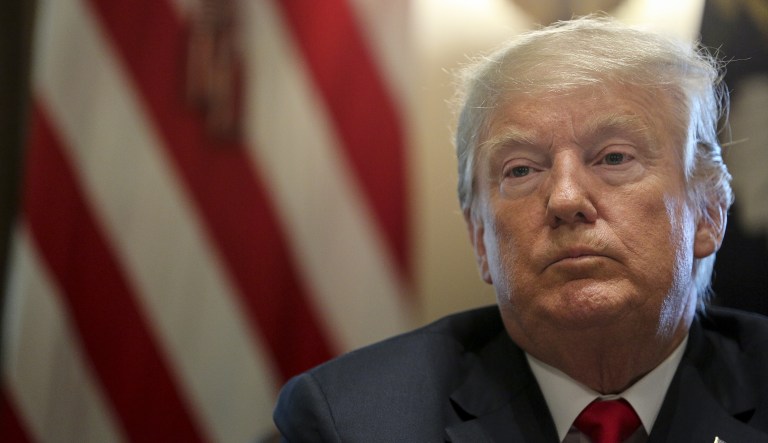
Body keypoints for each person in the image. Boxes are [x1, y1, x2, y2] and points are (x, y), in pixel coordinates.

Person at [273, 16, 768, 442]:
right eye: (521, 170)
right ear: (479, 240)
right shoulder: (354, 421)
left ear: (708, 213)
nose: (566, 198)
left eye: (614, 157)